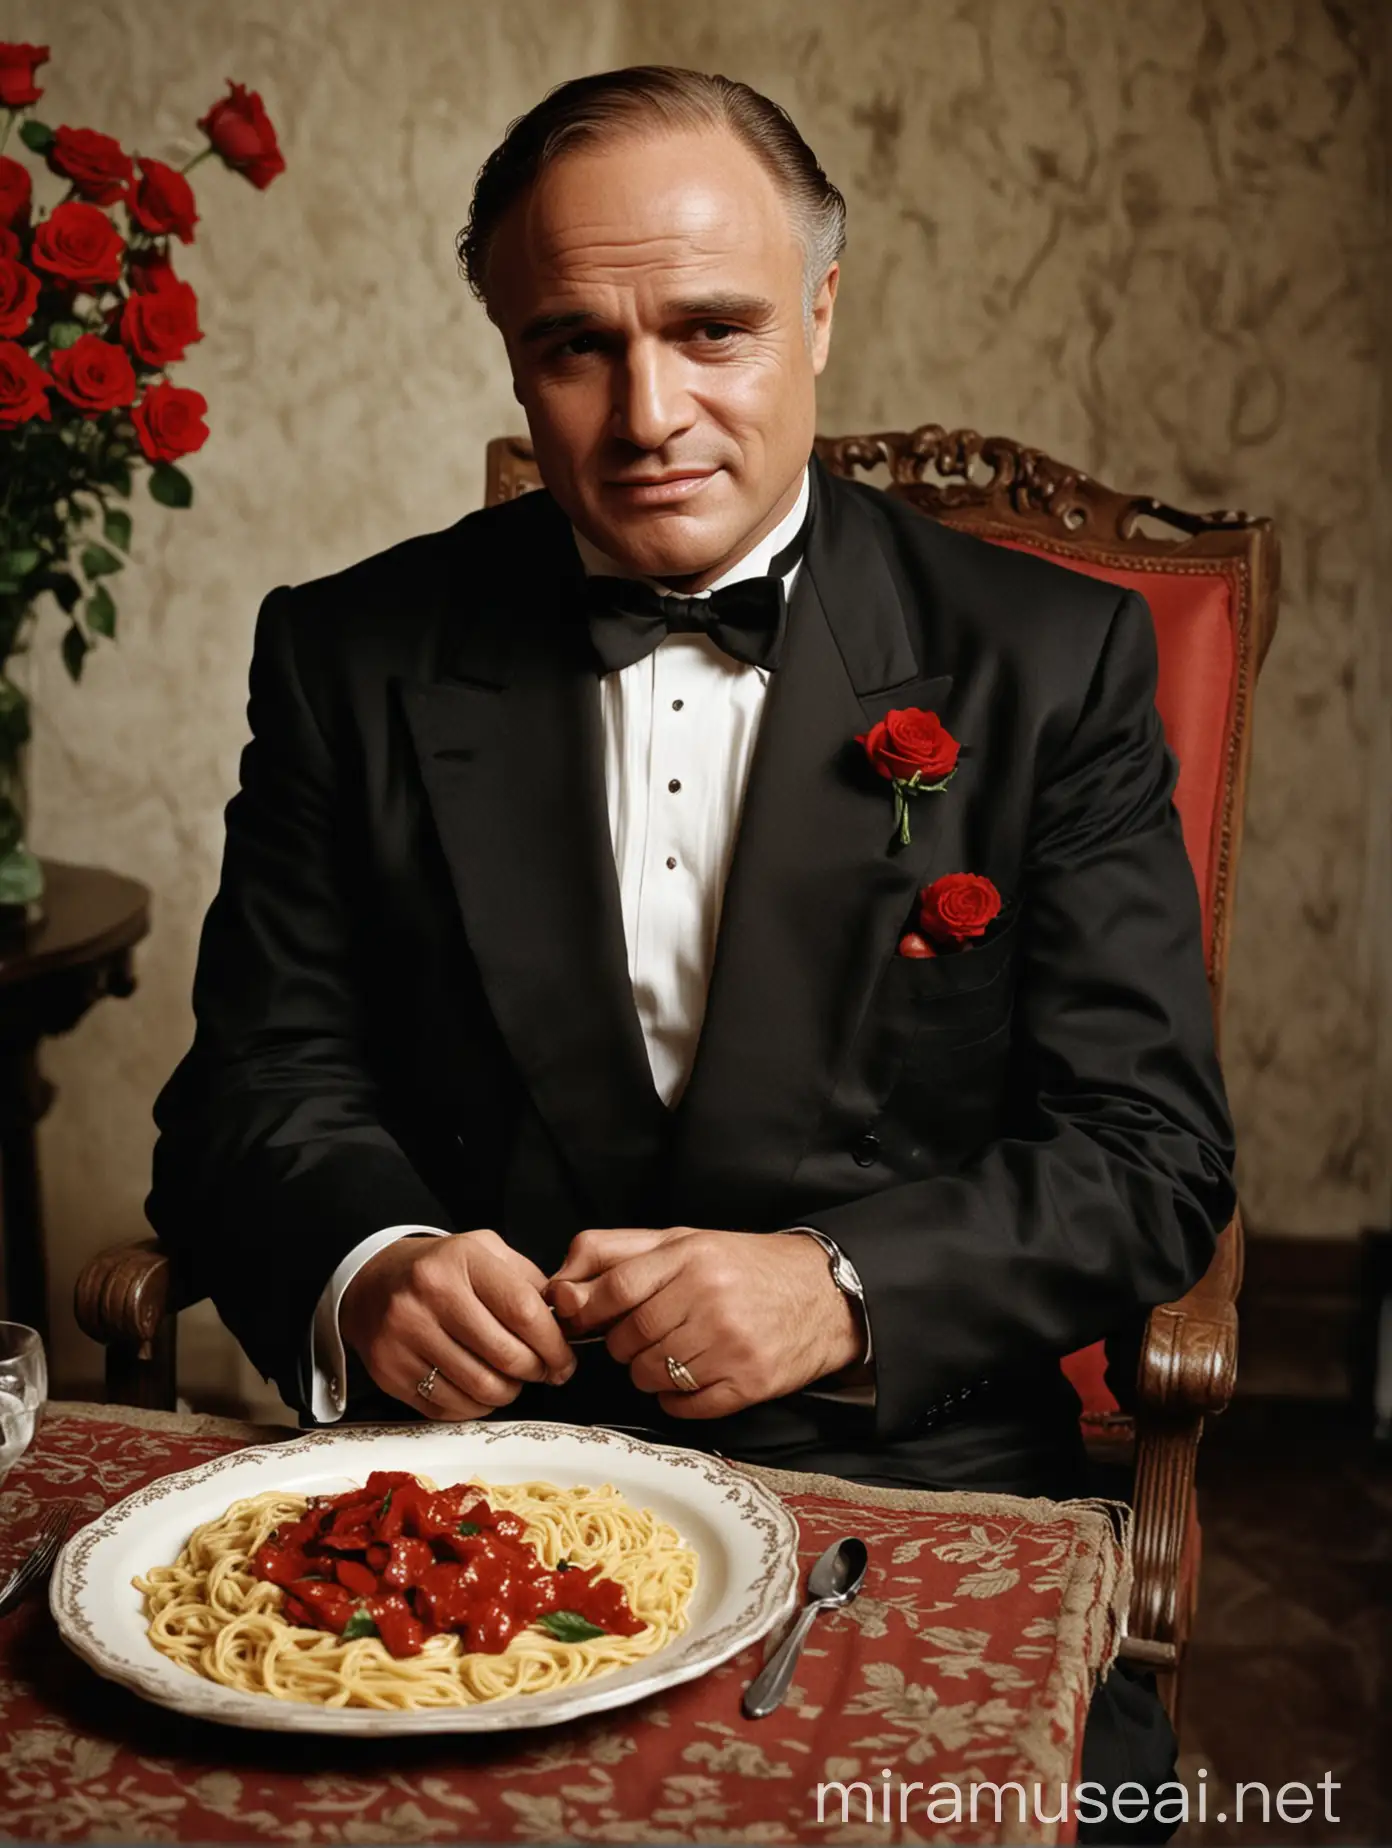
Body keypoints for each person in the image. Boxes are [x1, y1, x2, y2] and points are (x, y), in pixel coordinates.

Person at [148, 66, 1233, 1837]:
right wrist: (370, 1261)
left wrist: (844, 1286)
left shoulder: (1053, 664)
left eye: (713, 330)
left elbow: (1148, 1153)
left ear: (819, 309)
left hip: (904, 1475)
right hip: (472, 1474)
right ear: (510, 351)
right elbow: (256, 1083)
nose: (651, 411)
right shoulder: (346, 653)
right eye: (578, 344)